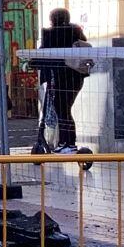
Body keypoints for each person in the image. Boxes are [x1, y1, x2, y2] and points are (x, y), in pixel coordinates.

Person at [35, 8, 89, 149]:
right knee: (66, 109)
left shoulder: (51, 33)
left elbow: (43, 52)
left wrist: (33, 61)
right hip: (76, 77)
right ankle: (66, 142)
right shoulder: (76, 32)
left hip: (59, 77)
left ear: (53, 19)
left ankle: (67, 143)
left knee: (62, 110)